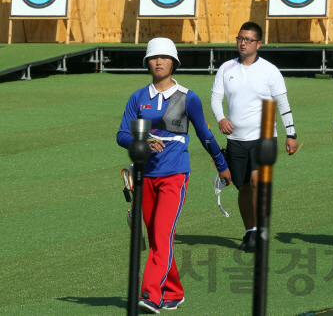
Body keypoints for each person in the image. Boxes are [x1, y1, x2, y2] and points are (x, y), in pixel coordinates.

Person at [117, 38, 231, 314]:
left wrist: (221, 164)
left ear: (174, 63)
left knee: (163, 232)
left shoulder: (188, 97)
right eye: (153, 58)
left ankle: (150, 294)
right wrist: (139, 143)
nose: (158, 62)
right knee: (159, 238)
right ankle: (176, 291)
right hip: (144, 177)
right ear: (147, 62)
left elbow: (205, 135)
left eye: (164, 58)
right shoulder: (138, 97)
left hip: (175, 175)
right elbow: (122, 134)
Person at [211, 21, 298, 252]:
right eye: (240, 38)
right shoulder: (225, 68)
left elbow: (283, 104)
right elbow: (215, 98)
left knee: (259, 182)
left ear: (258, 43)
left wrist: (291, 134)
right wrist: (221, 118)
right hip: (236, 140)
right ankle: (250, 231)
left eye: (248, 40)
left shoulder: (270, 70)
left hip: (265, 137)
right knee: (244, 187)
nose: (242, 43)